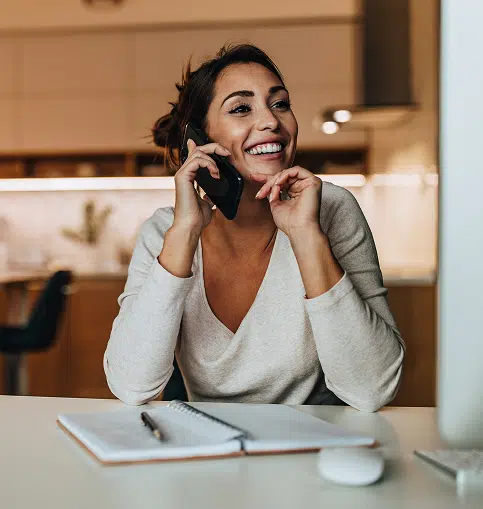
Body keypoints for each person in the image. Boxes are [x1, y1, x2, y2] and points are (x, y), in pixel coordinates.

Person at [104, 44, 405, 411]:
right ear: (199, 140)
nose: (271, 122)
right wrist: (185, 231)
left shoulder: (331, 210)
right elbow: (131, 385)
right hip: (208, 448)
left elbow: (373, 389)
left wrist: (306, 235)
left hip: (308, 447)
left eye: (280, 103)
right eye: (241, 108)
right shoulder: (166, 231)